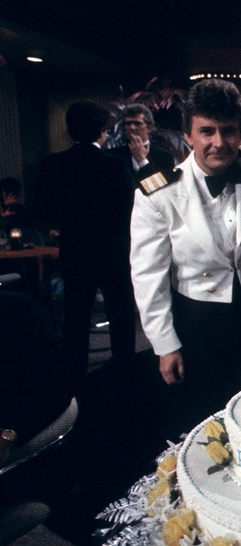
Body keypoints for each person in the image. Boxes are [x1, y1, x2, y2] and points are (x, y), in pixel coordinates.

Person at [130, 79, 241, 436]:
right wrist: (165, 344)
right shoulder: (159, 192)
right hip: (196, 323)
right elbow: (148, 275)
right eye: (207, 131)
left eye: (229, 131)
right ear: (188, 135)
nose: (219, 142)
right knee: (199, 424)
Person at [37, 101, 137, 392]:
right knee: (120, 314)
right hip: (114, 252)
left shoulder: (52, 164)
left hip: (75, 250)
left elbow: (42, 208)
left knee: (75, 315)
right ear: (103, 131)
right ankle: (125, 372)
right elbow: (129, 209)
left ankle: (75, 375)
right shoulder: (116, 165)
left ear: (69, 130)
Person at [109, 103, 175, 182]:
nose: (132, 127)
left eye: (137, 123)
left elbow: (164, 188)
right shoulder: (114, 155)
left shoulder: (164, 156)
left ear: (149, 128)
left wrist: (142, 161)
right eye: (128, 123)